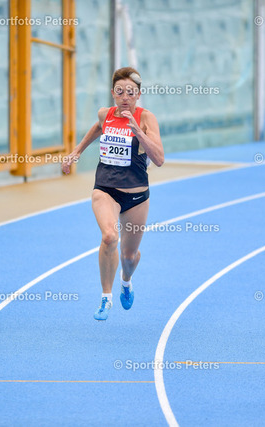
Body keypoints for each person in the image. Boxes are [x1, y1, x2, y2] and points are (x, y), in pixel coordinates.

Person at [62, 67, 164, 320]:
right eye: (120, 92)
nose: (125, 97)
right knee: (109, 237)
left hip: (136, 196)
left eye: (130, 92)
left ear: (138, 94)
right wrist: (76, 151)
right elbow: (99, 127)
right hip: (105, 189)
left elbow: (159, 159)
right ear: (113, 93)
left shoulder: (146, 118)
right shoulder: (105, 114)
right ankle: (105, 297)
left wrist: (138, 131)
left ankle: (126, 281)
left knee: (129, 257)